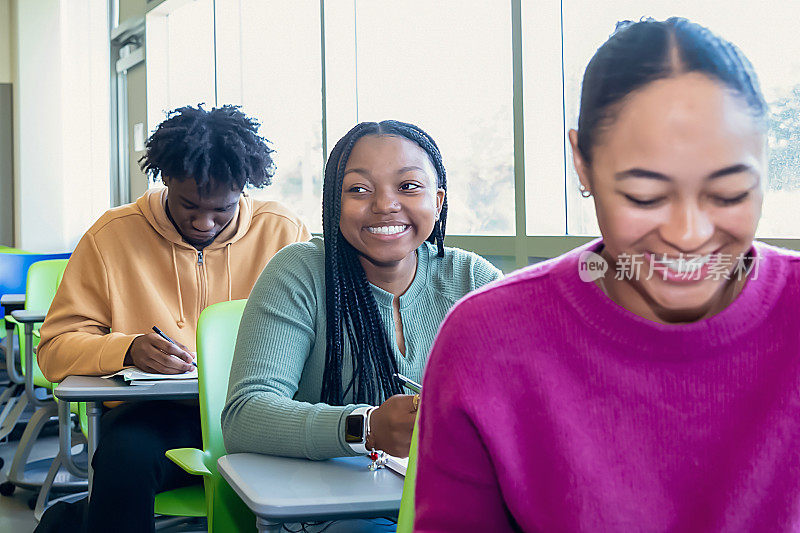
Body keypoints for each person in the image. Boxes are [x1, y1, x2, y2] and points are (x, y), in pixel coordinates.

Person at [415, 17, 800, 532]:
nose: (688, 234)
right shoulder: (487, 342)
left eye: (729, 193)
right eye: (645, 197)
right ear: (582, 163)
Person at [36, 105, 310, 533]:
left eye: (223, 209)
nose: (205, 222)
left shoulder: (283, 232)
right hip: (154, 416)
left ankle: (74, 521)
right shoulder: (112, 236)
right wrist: (126, 349)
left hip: (259, 411)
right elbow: (54, 350)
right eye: (189, 205)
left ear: (244, 187)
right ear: (165, 178)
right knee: (122, 458)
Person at [222, 120, 502, 462]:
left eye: (409, 186)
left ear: (438, 201)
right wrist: (366, 427)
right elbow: (244, 417)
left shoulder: (472, 279)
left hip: (449, 496)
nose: (385, 204)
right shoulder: (300, 273)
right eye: (358, 189)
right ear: (333, 202)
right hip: (333, 508)